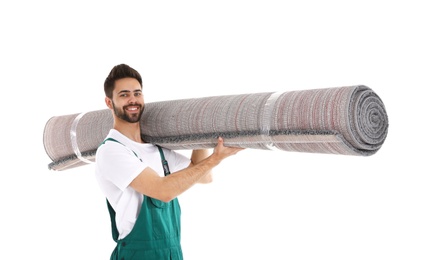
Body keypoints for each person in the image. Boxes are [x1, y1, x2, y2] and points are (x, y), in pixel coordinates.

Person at [95, 64, 244, 260]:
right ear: (109, 102)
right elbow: (163, 191)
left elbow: (204, 176)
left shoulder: (157, 150)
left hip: (172, 251)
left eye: (137, 93)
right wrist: (216, 158)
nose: (133, 100)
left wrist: (202, 133)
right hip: (138, 254)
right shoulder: (112, 151)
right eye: (124, 95)